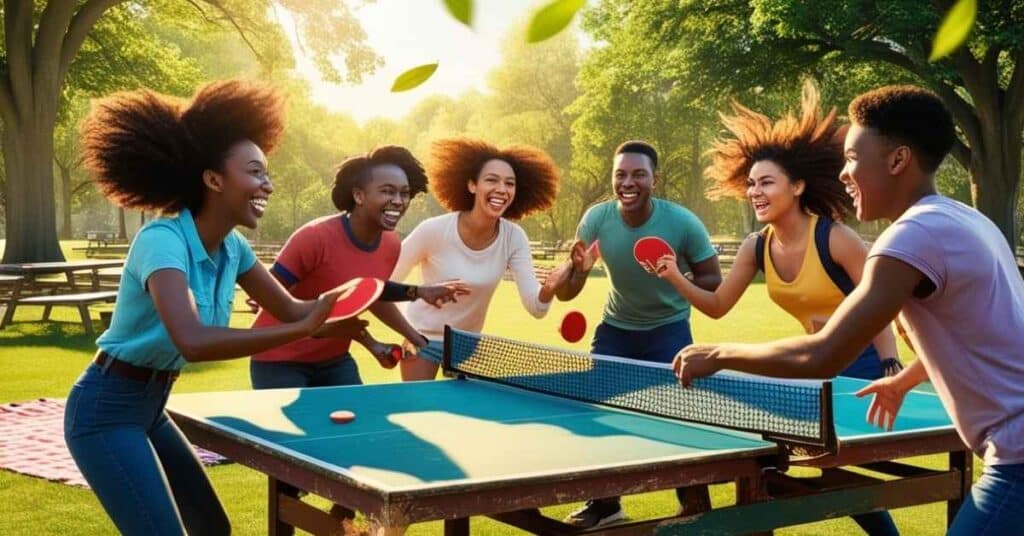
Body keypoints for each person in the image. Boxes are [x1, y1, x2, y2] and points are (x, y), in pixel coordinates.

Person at [674, 85, 1024, 534]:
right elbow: (983, 331)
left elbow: (823, 355)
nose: (843, 173)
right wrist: (904, 379)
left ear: (898, 160)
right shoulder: (965, 219)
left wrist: (719, 356)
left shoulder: (912, 238)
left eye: (854, 158)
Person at [64, 80, 361, 535]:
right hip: (105, 409)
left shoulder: (233, 248)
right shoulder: (162, 241)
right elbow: (194, 340)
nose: (269, 183)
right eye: (256, 172)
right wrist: (303, 329)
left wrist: (339, 311)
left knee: (212, 530)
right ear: (213, 179)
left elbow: (294, 310)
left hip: (151, 404)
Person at [655, 82, 901, 535]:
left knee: (831, 472)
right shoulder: (757, 246)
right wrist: (675, 276)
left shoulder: (835, 237)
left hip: (859, 367)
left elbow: (882, 299)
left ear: (798, 185)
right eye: (751, 183)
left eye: (766, 182)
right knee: (764, 466)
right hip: (810, 363)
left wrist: (889, 363)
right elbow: (716, 306)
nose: (755, 191)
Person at [555, 140, 723, 529]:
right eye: (620, 174)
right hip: (616, 328)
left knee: (678, 416)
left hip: (669, 329)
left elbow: (713, 279)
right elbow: (568, 293)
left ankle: (695, 503)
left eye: (638, 174)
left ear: (654, 179)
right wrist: (577, 269)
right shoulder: (595, 219)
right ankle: (604, 504)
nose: (627, 182)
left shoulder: (682, 223)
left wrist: (674, 275)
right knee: (599, 411)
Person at [249, 146, 469, 390]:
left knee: (360, 424)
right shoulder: (314, 238)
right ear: (359, 196)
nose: (398, 201)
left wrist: (418, 339)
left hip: (333, 361)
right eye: (387, 191)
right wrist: (365, 340)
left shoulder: (391, 243)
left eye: (404, 193)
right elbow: (271, 302)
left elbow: (371, 294)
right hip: (278, 361)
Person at [392, 137, 565, 380]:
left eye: (509, 183)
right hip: (421, 340)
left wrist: (548, 289)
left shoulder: (514, 237)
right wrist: (413, 313)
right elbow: (386, 284)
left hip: (467, 344)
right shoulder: (432, 230)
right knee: (417, 412)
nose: (502, 189)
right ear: (472, 185)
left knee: (466, 417)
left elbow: (536, 308)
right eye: (491, 180)